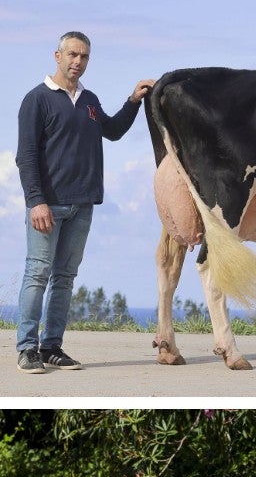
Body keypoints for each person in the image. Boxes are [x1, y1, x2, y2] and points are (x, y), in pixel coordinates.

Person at [15, 31, 155, 373]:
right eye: (73, 54)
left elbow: (113, 130)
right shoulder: (37, 99)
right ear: (58, 56)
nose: (78, 61)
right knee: (38, 273)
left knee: (64, 278)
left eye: (85, 56)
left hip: (83, 204)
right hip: (48, 205)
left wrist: (133, 101)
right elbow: (26, 156)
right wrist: (36, 202)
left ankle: (51, 347)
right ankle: (26, 348)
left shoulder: (89, 99)